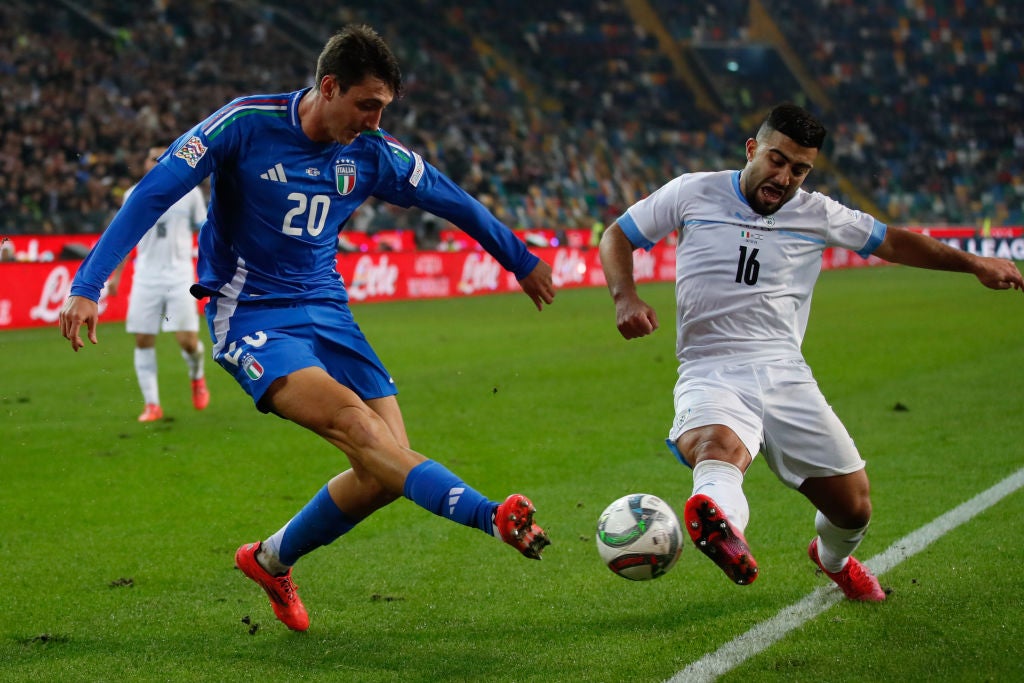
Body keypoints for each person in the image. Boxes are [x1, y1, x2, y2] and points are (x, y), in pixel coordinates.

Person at [59, 24, 555, 631]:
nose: (374, 120)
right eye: (366, 104)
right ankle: (491, 515)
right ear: (329, 87)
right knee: (360, 429)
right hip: (252, 315)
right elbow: (153, 192)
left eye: (383, 108)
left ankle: (270, 559)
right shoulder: (243, 123)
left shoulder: (371, 153)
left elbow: (451, 198)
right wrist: (88, 284)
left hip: (330, 312)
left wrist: (519, 258)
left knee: (384, 472)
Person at [599, 103, 1023, 601]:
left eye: (799, 169)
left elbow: (895, 244)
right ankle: (723, 528)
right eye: (777, 161)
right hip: (711, 367)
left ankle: (832, 559)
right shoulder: (693, 191)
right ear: (752, 149)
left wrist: (973, 263)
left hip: (786, 375)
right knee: (718, 449)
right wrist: (624, 295)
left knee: (853, 508)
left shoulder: (817, 213)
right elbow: (618, 236)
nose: (785, 177)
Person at [107, 145, 210, 422]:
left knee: (187, 342)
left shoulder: (190, 195)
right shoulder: (133, 195)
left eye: (162, 158)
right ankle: (152, 404)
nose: (156, 162)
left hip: (179, 277)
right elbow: (124, 237)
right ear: (144, 164)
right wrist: (116, 276)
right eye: (151, 158)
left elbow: (206, 230)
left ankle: (197, 377)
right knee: (142, 340)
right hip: (146, 277)